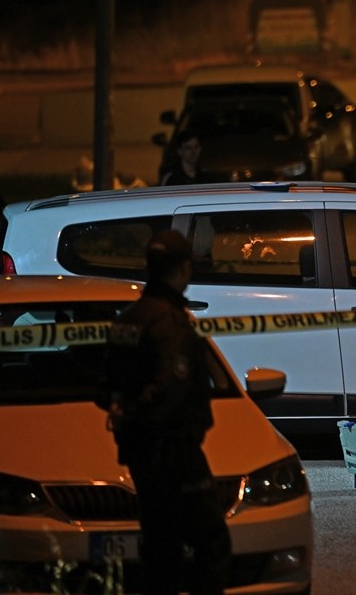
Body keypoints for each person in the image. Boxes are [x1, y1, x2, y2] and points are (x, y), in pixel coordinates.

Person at [98, 229, 231, 594]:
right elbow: (170, 386)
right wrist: (140, 412)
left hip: (140, 453)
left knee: (161, 547)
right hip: (173, 451)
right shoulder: (170, 323)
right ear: (184, 269)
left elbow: (105, 385)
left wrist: (123, 412)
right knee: (212, 543)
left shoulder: (127, 319)